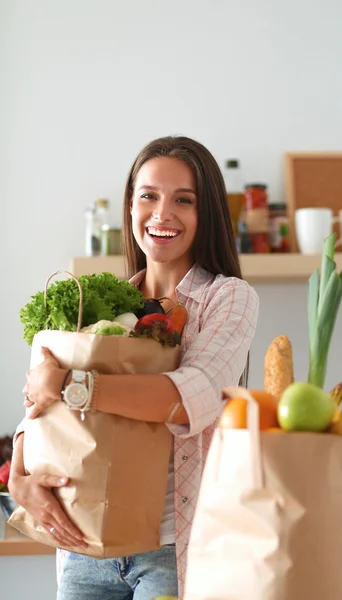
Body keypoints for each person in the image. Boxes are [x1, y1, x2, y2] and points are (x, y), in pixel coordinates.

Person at [9, 135, 259, 600]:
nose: (162, 214)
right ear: (130, 206)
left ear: (206, 215)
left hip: (171, 549)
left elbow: (189, 397)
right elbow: (39, 407)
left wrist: (69, 384)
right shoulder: (101, 306)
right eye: (149, 196)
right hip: (82, 541)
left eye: (184, 200)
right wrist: (20, 480)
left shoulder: (228, 299)